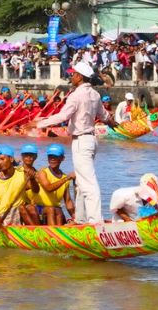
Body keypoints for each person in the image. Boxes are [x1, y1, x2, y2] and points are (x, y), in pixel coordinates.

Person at [34, 61, 116, 224]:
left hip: (81, 141)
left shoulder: (76, 95)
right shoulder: (95, 94)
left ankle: (94, 222)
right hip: (91, 141)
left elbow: (62, 117)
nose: (71, 76)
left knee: (88, 183)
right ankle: (80, 219)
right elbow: (105, 116)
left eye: (73, 74)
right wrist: (113, 124)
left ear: (79, 77)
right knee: (80, 181)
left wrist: (38, 123)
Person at [35, 143, 75, 226]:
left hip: (56, 211)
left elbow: (68, 201)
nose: (52, 159)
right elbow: (48, 188)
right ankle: (53, 235)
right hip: (40, 209)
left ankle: (58, 234)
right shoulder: (42, 172)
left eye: (55, 157)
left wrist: (75, 217)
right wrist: (67, 178)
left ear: (62, 158)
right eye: (50, 156)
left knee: (58, 211)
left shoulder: (64, 177)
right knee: (52, 210)